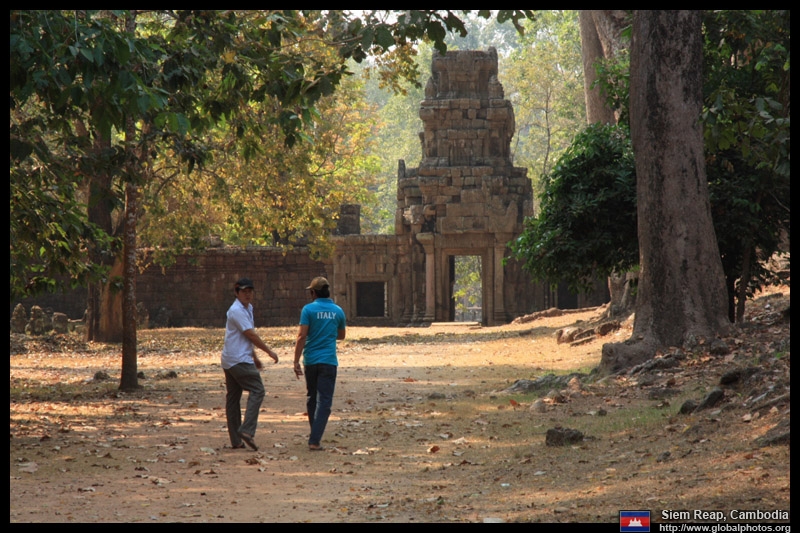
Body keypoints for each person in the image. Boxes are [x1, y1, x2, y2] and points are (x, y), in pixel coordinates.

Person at [221, 277, 279, 451]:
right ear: (236, 292)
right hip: (238, 360)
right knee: (258, 390)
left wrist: (254, 356)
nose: (247, 294)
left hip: (231, 358)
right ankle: (246, 430)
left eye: (250, 291)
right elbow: (251, 334)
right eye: (244, 291)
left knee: (233, 398)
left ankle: (236, 440)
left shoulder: (248, 308)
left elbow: (245, 336)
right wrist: (269, 351)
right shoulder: (236, 310)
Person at [293, 276, 346, 451]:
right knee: (325, 402)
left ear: (313, 293)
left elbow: (301, 336)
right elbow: (341, 335)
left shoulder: (308, 310)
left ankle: (314, 434)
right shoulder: (338, 311)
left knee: (312, 397)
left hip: (311, 360)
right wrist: (327, 332)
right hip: (328, 361)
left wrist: (296, 361)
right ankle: (315, 439)